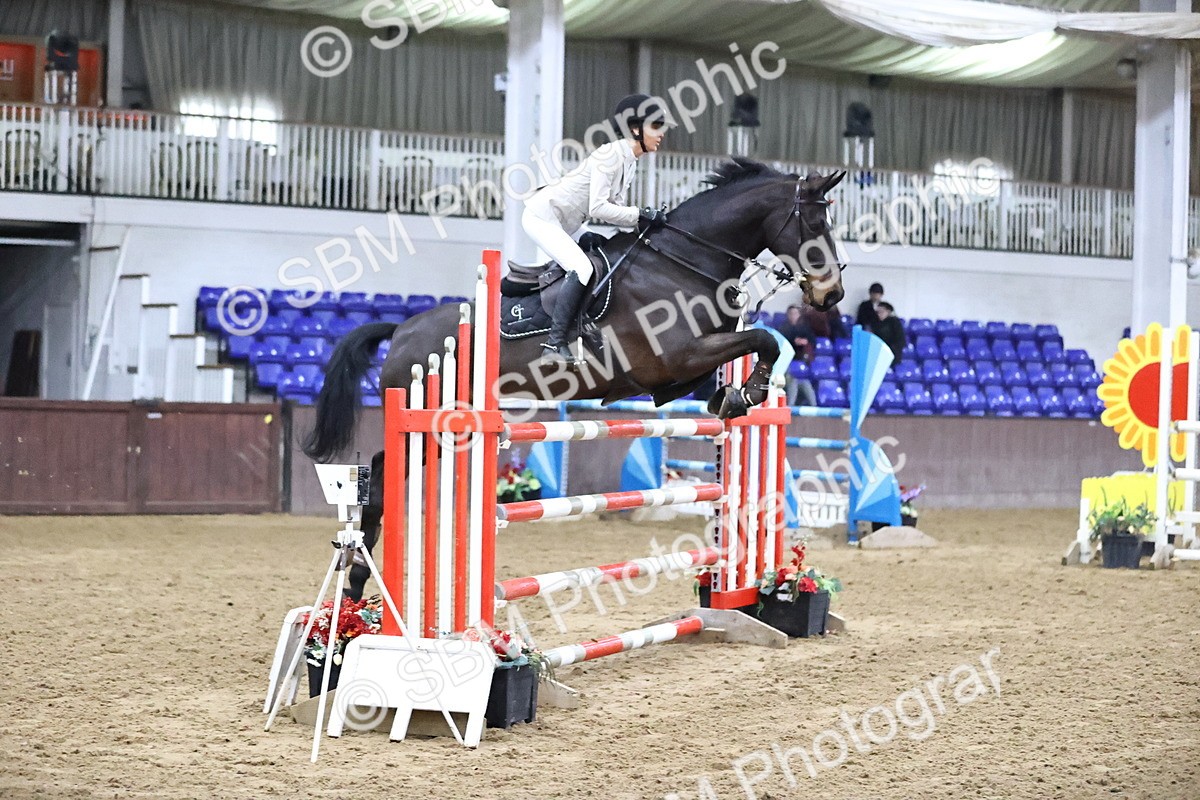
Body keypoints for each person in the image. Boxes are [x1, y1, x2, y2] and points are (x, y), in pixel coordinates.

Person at [522, 94, 671, 364]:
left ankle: (585, 326)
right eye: (655, 126)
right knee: (582, 269)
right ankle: (554, 344)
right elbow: (599, 208)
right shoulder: (611, 155)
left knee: (603, 256)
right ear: (636, 129)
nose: (661, 134)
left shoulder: (630, 161)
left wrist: (643, 222)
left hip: (569, 223)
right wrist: (640, 215)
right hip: (541, 216)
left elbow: (617, 209)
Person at [775, 305, 816, 406]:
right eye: (791, 314)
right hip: (786, 363)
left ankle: (814, 406)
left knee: (804, 382)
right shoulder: (783, 327)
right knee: (792, 380)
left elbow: (812, 340)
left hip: (800, 361)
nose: (793, 316)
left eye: (795, 313)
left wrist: (805, 342)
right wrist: (794, 342)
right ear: (788, 315)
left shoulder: (805, 328)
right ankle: (790, 406)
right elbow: (781, 343)